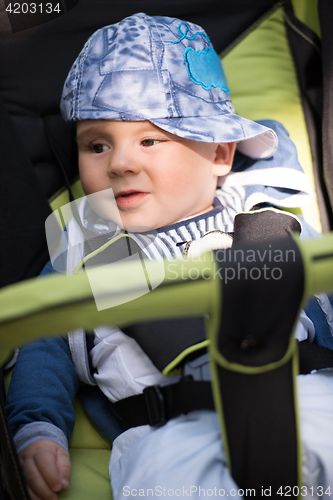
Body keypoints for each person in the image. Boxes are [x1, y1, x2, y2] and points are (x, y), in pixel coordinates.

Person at [5, 13, 333, 500]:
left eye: (150, 139)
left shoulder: (268, 215)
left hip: (304, 394)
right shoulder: (83, 253)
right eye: (97, 145)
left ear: (220, 153)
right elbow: (42, 345)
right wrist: (38, 429)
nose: (119, 163)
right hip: (168, 433)